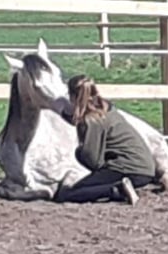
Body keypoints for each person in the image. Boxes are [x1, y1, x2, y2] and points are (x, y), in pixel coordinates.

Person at [56, 74, 157, 206]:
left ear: (73, 97)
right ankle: (119, 187)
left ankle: (116, 189)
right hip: (145, 169)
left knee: (69, 194)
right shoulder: (107, 111)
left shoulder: (92, 120)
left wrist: (80, 153)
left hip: (126, 169)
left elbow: (93, 159)